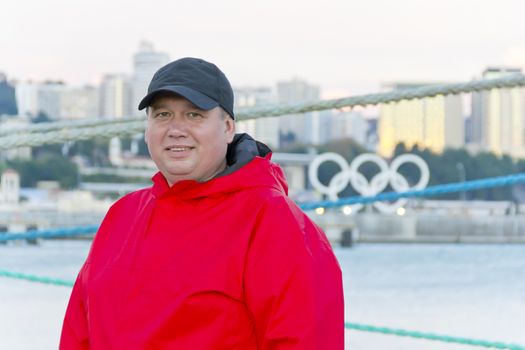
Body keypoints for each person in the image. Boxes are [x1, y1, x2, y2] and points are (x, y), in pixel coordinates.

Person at [60, 57, 344, 349]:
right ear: (147, 129)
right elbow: (78, 332)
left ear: (228, 127)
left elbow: (306, 339)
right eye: (162, 115)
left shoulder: (273, 221)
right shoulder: (123, 215)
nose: (176, 129)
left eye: (194, 115)